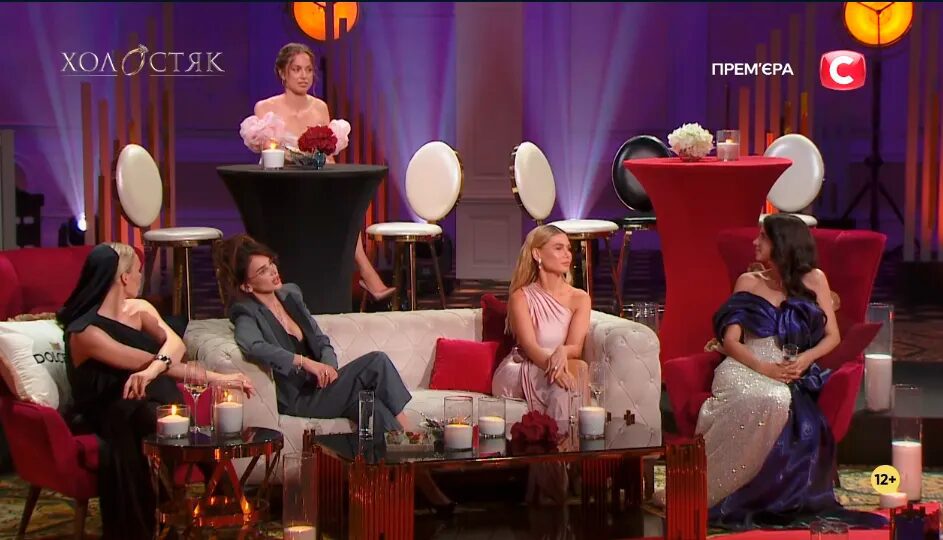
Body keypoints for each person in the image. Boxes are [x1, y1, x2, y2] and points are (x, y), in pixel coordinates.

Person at [214, 234, 454, 512]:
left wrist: (327, 365)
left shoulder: (290, 294)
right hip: (300, 397)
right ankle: (413, 438)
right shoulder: (246, 312)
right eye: (263, 271)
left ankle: (397, 495)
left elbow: (321, 340)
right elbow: (252, 345)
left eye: (271, 264)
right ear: (247, 284)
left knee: (373, 408)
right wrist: (304, 362)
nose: (273, 272)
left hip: (323, 386)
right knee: (376, 362)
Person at [696, 214, 887, 530]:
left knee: (781, 399)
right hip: (745, 364)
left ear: (782, 243)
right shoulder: (748, 281)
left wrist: (804, 360)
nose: (755, 242)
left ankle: (762, 496)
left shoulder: (815, 280)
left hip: (788, 367)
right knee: (767, 396)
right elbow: (730, 341)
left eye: (763, 237)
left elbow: (833, 337)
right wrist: (763, 368)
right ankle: (712, 489)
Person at [57, 243, 253, 540]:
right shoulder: (85, 333)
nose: (142, 277)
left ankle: (226, 514)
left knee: (168, 414)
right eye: (138, 271)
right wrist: (217, 378)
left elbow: (176, 345)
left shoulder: (141, 309)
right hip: (107, 409)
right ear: (123, 277)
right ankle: (167, 520)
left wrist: (152, 371)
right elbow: (143, 359)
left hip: (149, 395)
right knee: (151, 415)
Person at [252, 42, 394, 302]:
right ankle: (366, 275)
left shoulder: (320, 108)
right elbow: (269, 151)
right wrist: (303, 158)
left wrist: (334, 179)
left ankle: (364, 273)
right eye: (296, 69)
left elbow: (327, 155)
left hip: (316, 182)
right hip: (282, 185)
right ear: (283, 72)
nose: (304, 76)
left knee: (345, 205)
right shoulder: (266, 108)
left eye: (308, 70)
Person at [492, 224, 590, 432]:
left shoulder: (580, 298)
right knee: (567, 379)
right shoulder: (521, 297)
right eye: (558, 248)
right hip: (522, 366)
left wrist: (562, 351)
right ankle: (560, 442)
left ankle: (559, 441)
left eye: (568, 248)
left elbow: (576, 347)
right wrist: (553, 367)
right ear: (537, 254)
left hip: (558, 364)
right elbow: (529, 346)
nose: (567, 255)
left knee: (578, 369)